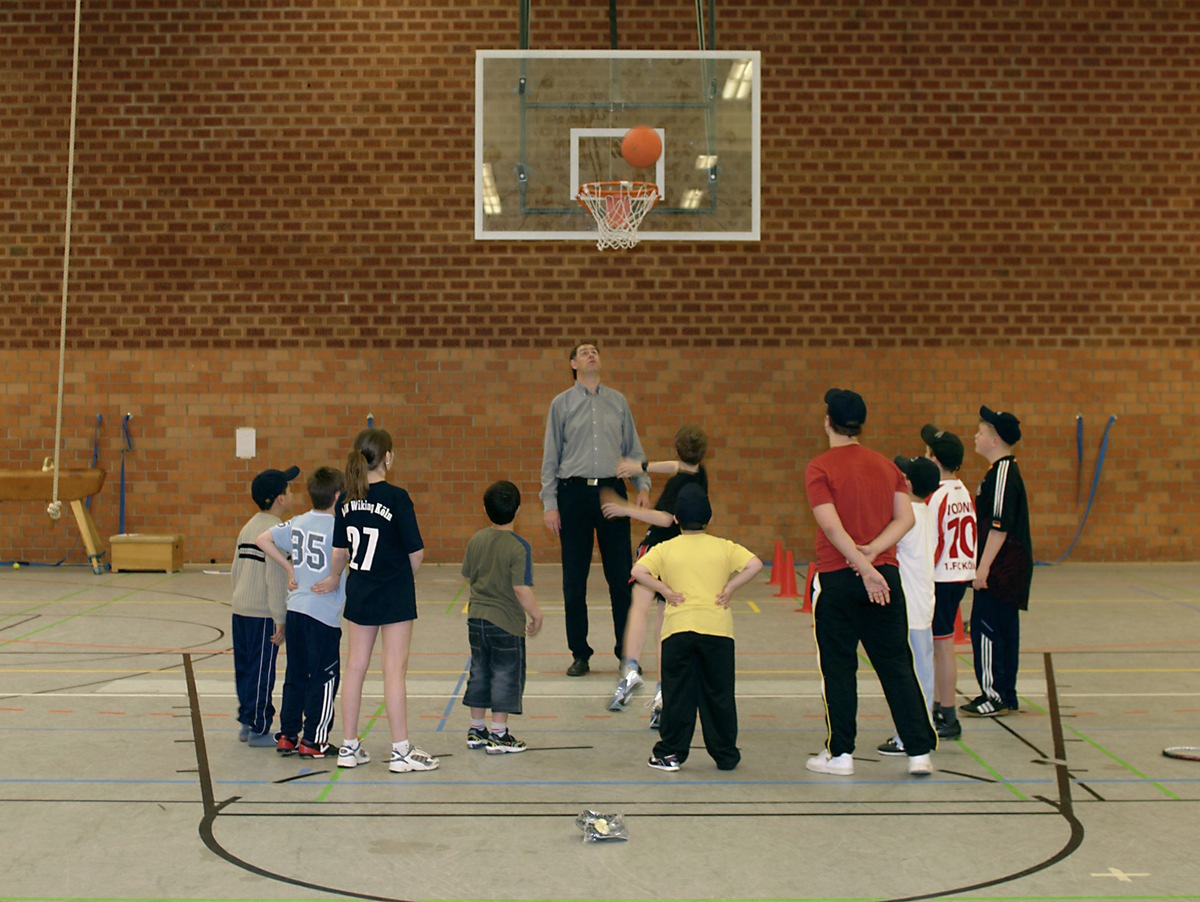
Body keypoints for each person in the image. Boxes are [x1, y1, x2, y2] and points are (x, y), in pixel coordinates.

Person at [804, 388, 938, 778]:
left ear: (828, 422)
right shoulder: (888, 467)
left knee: (839, 668)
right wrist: (875, 554)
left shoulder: (820, 468)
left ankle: (841, 754)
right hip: (885, 578)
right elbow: (906, 518)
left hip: (840, 578)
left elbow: (830, 525)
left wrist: (861, 564)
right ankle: (918, 752)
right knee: (897, 664)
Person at [315, 428, 439, 773]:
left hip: (361, 591)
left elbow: (340, 553)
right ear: (387, 457)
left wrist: (335, 577)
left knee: (355, 667)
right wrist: (399, 577)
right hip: (394, 592)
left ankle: (349, 746)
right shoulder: (397, 497)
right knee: (394, 669)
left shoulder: (345, 501)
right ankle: (400, 751)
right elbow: (417, 553)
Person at [540, 340, 651, 677]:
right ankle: (580, 653)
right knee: (574, 580)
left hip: (611, 494)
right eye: (584, 351)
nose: (591, 354)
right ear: (573, 363)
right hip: (572, 495)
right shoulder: (560, 405)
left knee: (621, 577)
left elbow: (633, 448)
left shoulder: (618, 402)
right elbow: (551, 457)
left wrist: (642, 487)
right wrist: (550, 503)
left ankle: (626, 653)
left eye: (595, 351)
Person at [632, 484, 761, 772]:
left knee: (678, 694)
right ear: (709, 519)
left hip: (678, 632)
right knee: (720, 695)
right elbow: (755, 564)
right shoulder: (724, 547)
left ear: (676, 519)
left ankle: (670, 753)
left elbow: (638, 571)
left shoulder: (665, 548)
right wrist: (729, 587)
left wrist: (665, 590)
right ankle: (726, 754)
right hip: (718, 632)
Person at [602, 424, 709, 723]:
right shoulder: (699, 474)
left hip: (658, 551)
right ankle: (663, 695)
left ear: (675, 448)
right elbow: (677, 465)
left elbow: (664, 518)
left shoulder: (677, 486)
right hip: (681, 554)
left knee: (638, 608)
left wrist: (625, 509)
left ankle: (630, 673)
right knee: (665, 625)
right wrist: (642, 466)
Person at [255, 466, 347, 759]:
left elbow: (263, 539)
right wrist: (335, 575)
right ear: (337, 495)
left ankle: (288, 735)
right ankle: (314, 740)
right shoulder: (339, 527)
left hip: (295, 608)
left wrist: (288, 566)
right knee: (324, 676)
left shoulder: (298, 522)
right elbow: (340, 553)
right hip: (322, 613)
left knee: (296, 674)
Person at [460, 480, 544, 754]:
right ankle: (499, 734)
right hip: (506, 624)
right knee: (505, 674)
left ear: (485, 509)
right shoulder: (519, 547)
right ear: (518, 511)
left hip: (476, 620)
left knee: (480, 671)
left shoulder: (476, 540)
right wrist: (536, 614)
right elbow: (521, 588)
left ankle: (476, 729)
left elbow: (470, 575)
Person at [960, 406, 1033, 717]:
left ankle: (993, 694)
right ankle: (1007, 693)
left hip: (1002, 569)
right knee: (1004, 629)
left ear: (995, 439)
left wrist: (983, 566)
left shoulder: (1003, 473)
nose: (976, 437)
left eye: (980, 432)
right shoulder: (998, 472)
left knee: (986, 628)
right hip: (1006, 567)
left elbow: (999, 525)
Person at [875, 455, 939, 757]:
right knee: (922, 673)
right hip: (923, 603)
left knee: (910, 677)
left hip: (910, 608)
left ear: (908, 483)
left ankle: (909, 737)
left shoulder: (907, 516)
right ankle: (924, 730)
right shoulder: (925, 512)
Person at [230, 465, 297, 746]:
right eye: (290, 489)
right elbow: (274, 577)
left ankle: (247, 721)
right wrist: (280, 619)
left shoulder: (248, 527)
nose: (293, 493)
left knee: (245, 669)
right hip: (262, 614)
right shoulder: (276, 533)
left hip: (240, 610)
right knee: (261, 672)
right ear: (280, 499)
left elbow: (235, 570)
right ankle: (258, 728)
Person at [921, 423, 976, 739]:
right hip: (959, 573)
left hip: (941, 577)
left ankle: (946, 714)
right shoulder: (962, 491)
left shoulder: (936, 497)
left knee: (939, 647)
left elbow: (934, 541)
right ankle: (943, 706)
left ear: (934, 459)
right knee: (942, 645)